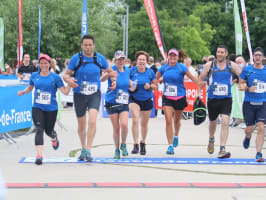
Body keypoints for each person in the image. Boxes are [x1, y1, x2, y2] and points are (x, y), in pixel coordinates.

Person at [63, 34, 117, 162]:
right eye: (85, 45)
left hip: (94, 94)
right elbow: (66, 75)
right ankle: (83, 148)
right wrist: (70, 81)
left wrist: (113, 81)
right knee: (81, 125)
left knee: (92, 121)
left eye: (90, 45)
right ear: (82, 46)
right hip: (79, 94)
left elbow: (112, 72)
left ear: (93, 45)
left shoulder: (99, 58)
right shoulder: (76, 59)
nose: (87, 47)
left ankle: (88, 149)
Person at [18, 54, 71, 165]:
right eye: (41, 63)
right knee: (39, 129)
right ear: (39, 64)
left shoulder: (55, 77)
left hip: (51, 108)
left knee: (48, 131)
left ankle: (53, 136)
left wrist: (70, 84)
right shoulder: (34, 76)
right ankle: (39, 155)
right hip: (37, 107)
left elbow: (65, 92)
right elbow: (30, 87)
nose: (43, 65)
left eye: (45, 63)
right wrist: (23, 92)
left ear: (49, 64)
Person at [156, 48, 204, 155]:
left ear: (177, 57)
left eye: (174, 56)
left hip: (180, 97)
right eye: (170, 55)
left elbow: (192, 78)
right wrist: (153, 84)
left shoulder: (181, 67)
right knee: (168, 120)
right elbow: (155, 78)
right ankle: (170, 146)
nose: (172, 57)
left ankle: (176, 135)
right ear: (168, 57)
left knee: (176, 121)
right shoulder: (164, 68)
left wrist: (200, 83)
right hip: (167, 97)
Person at [199, 45, 241, 158]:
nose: (220, 54)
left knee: (225, 121)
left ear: (226, 54)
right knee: (213, 122)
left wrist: (243, 83)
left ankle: (222, 148)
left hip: (226, 98)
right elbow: (200, 78)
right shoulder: (209, 65)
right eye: (218, 52)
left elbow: (243, 76)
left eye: (222, 52)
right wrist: (199, 91)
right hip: (213, 98)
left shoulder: (232, 65)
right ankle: (211, 139)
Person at [238, 47, 266, 162]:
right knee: (249, 129)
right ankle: (248, 137)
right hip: (249, 103)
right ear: (253, 57)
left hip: (263, 103)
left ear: (263, 57)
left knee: (261, 127)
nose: (258, 57)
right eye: (256, 55)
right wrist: (249, 88)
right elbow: (240, 86)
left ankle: (259, 152)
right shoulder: (247, 70)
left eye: (260, 55)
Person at [101, 50, 130, 159]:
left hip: (124, 102)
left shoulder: (127, 70)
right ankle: (117, 149)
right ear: (115, 60)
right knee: (116, 128)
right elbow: (102, 79)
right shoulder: (111, 69)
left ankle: (123, 144)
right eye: (119, 59)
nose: (121, 61)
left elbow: (129, 83)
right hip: (112, 102)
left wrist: (133, 86)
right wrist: (108, 74)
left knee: (124, 125)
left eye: (122, 59)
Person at [129, 50, 157, 155]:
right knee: (135, 119)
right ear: (136, 61)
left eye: (143, 60)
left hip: (147, 99)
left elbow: (155, 86)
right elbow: (125, 82)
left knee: (144, 123)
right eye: (140, 59)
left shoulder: (150, 72)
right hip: (134, 99)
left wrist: (149, 86)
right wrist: (130, 84)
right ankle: (135, 144)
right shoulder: (131, 71)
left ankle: (143, 143)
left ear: (146, 61)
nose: (141, 61)